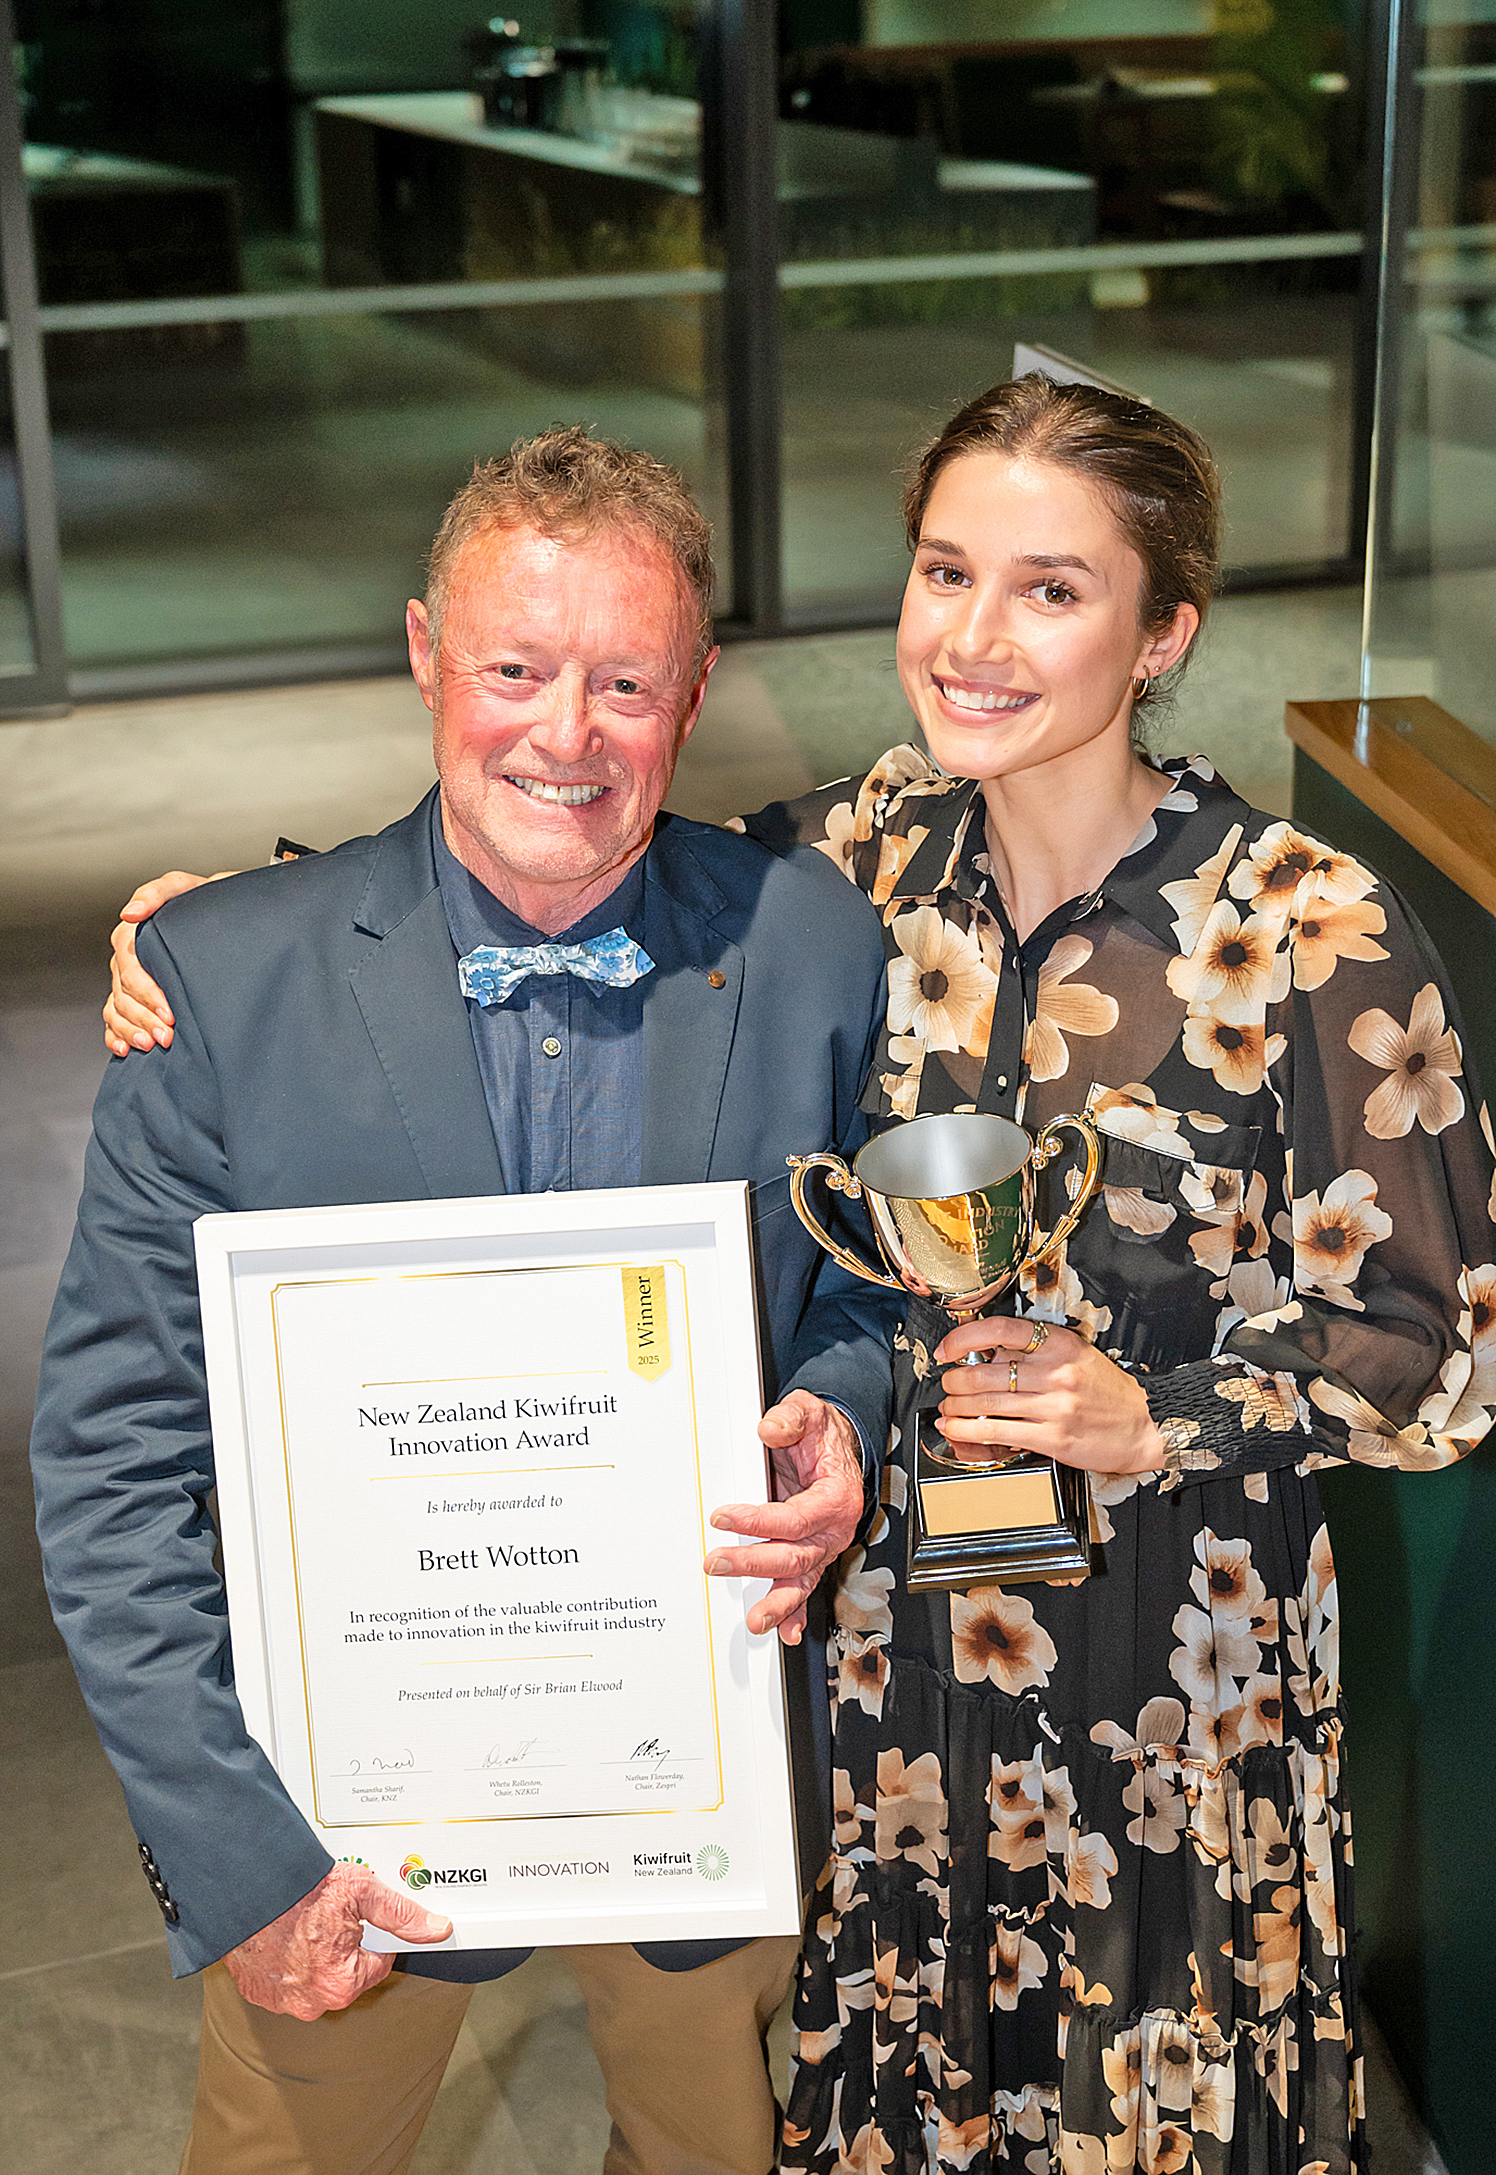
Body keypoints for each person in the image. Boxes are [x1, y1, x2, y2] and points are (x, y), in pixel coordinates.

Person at [104, 377, 1496, 2174]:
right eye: (946, 570)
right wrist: (240, 926)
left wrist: (1157, 1413)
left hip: (1166, 1679)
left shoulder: (1311, 933)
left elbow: (1443, 1354)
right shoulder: (848, 865)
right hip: (882, 1679)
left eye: (1052, 590)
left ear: (1165, 633)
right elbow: (565, 855)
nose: (975, 638)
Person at [32, 426, 901, 2175]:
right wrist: (240, 1862)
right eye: (515, 669)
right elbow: (112, 1468)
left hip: (695, 1781)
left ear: (694, 690)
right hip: (335, 1822)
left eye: (625, 682)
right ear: (427, 652)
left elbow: (860, 1290)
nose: (567, 734)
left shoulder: (812, 944)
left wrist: (849, 1414)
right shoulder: (228, 983)